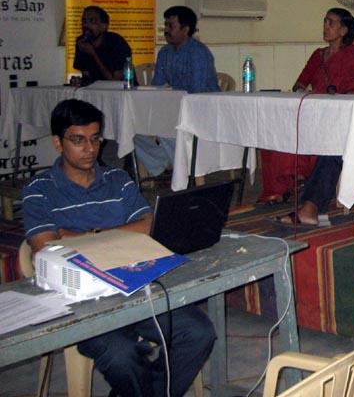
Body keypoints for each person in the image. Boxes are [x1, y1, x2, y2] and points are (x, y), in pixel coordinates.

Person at [22, 99, 215, 397]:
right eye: (78, 140)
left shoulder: (117, 179)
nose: (90, 148)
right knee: (122, 356)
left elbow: (149, 224)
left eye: (95, 138)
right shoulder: (39, 190)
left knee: (199, 332)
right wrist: (119, 236)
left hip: (135, 286)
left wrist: (86, 235)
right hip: (81, 303)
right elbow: (45, 246)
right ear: (58, 143)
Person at [260, 8, 354, 212]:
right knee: (274, 133)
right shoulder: (318, 55)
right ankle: (281, 188)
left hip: (339, 117)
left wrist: (335, 101)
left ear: (344, 30)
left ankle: (309, 187)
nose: (325, 27)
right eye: (324, 22)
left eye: (331, 23)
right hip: (313, 113)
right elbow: (299, 85)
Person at [135, 5, 219, 176]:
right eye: (165, 25)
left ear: (185, 29)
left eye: (170, 26)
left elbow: (198, 93)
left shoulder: (198, 53)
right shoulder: (165, 52)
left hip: (203, 109)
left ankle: (183, 169)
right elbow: (157, 85)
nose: (166, 30)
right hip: (176, 107)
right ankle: (165, 165)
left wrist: (171, 107)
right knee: (133, 128)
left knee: (167, 126)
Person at [73, 5, 133, 85]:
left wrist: (93, 54)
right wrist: (79, 81)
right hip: (95, 91)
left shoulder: (117, 43)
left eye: (92, 21)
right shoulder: (82, 42)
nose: (86, 25)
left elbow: (114, 82)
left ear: (104, 26)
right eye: (84, 21)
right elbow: (86, 76)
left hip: (123, 91)